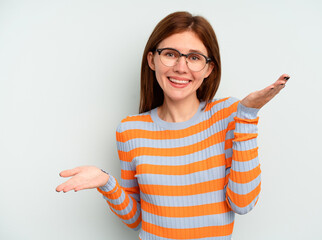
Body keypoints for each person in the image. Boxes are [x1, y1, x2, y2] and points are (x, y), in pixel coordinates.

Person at [56, 11, 290, 240]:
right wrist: (106, 183)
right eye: (170, 54)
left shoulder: (229, 115)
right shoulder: (130, 131)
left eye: (195, 57)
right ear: (152, 60)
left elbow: (243, 202)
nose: (181, 67)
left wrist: (248, 115)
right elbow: (137, 219)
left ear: (209, 68)